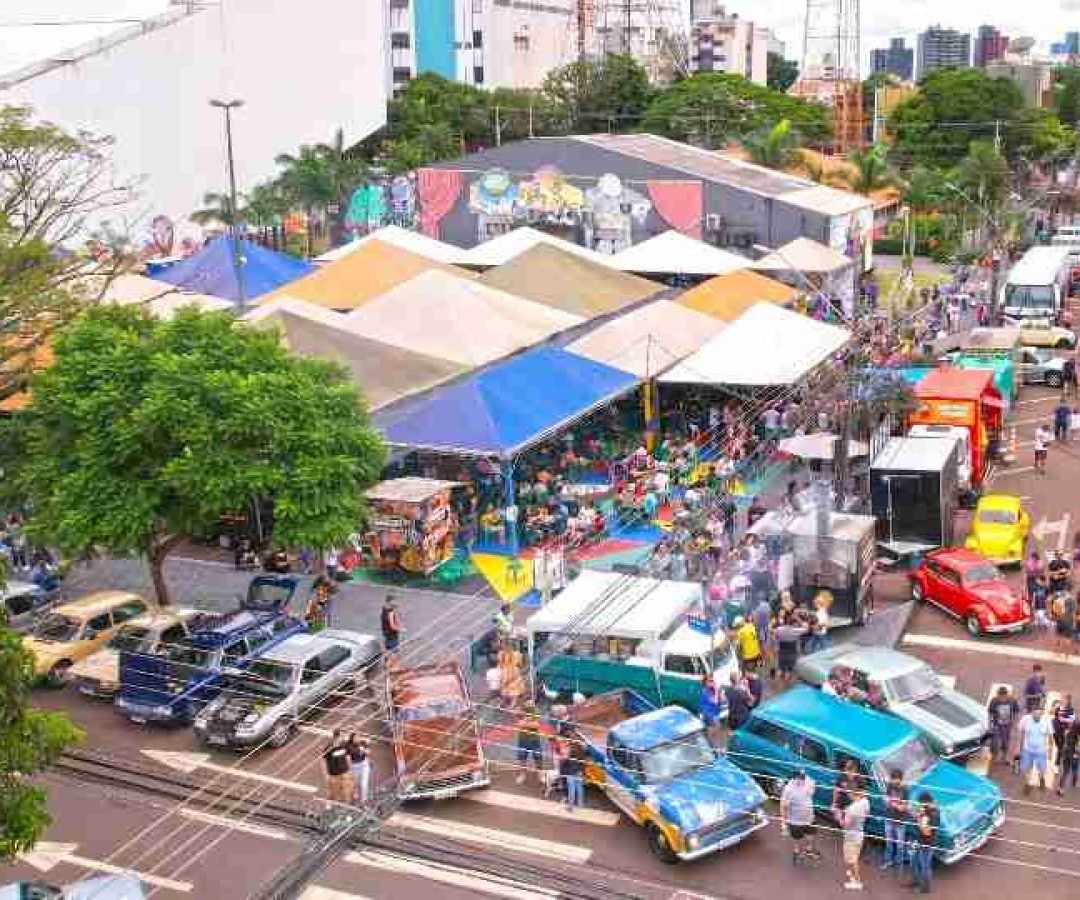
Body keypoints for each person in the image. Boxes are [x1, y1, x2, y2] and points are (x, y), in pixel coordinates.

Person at [780, 768, 819, 864]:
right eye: (799, 778)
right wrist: (783, 824)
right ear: (794, 778)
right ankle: (796, 851)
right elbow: (783, 806)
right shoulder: (788, 789)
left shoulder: (808, 781)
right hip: (795, 821)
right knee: (796, 837)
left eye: (803, 777)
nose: (802, 780)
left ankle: (809, 849)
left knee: (811, 835)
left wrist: (810, 790)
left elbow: (813, 787)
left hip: (809, 818)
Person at [1018, 704, 1053, 794]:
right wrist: (1018, 747)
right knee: (1026, 769)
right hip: (1027, 750)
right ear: (1031, 713)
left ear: (1042, 714)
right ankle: (1027, 784)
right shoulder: (1025, 719)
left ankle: (1041, 779)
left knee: (1041, 769)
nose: (1036, 717)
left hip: (1041, 751)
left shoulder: (1047, 721)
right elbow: (1021, 732)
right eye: (1035, 714)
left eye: (1039, 715)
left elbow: (1050, 736)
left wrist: (1050, 750)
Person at [842, 782, 870, 890]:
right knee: (854, 857)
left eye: (849, 793)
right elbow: (866, 814)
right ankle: (852, 875)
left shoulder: (851, 809)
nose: (848, 795)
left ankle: (857, 882)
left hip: (851, 836)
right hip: (860, 834)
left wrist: (841, 816)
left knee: (853, 859)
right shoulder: (865, 802)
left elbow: (845, 824)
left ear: (853, 794)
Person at [910, 792, 940, 894]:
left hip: (927, 844)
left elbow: (926, 832)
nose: (919, 806)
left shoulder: (933, 815)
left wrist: (918, 818)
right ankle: (916, 881)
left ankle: (925, 888)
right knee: (914, 861)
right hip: (920, 841)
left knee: (925, 867)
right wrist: (920, 814)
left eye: (921, 804)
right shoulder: (926, 811)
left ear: (926, 803)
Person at [881, 768, 909, 872]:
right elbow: (885, 798)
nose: (894, 782)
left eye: (896, 780)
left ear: (900, 780)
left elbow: (903, 807)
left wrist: (892, 803)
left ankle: (899, 864)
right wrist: (891, 802)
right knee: (889, 843)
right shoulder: (890, 786)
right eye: (893, 780)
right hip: (888, 819)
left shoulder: (905, 790)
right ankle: (888, 861)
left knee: (900, 845)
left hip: (900, 822)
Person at [988, 685, 1020, 764]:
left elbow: (1016, 711)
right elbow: (990, 713)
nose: (1001, 698)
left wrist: (1015, 723)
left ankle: (1005, 756)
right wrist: (989, 724)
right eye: (999, 696)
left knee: (1005, 741)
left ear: (1006, 695)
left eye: (1003, 696)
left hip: (1007, 724)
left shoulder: (1012, 700)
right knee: (996, 740)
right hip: (997, 724)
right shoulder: (994, 700)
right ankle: (996, 755)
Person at [514, 706, 545, 785]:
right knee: (522, 758)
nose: (529, 702)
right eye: (527, 701)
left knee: (538, 758)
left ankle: (540, 774)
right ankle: (522, 774)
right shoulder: (519, 709)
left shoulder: (535, 710)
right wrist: (529, 721)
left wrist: (525, 722)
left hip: (535, 740)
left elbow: (536, 725)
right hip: (523, 740)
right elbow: (519, 724)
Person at [323, 730, 354, 805]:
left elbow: (348, 757)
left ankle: (347, 808)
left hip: (345, 773)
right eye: (341, 737)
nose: (342, 738)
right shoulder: (329, 748)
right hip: (334, 775)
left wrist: (350, 770)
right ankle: (331, 806)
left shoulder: (344, 745)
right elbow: (323, 761)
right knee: (334, 794)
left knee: (347, 791)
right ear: (336, 737)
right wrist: (326, 774)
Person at [559, 725, 585, 812]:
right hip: (580, 768)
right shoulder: (580, 745)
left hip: (570, 769)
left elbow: (564, 759)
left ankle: (570, 806)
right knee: (579, 787)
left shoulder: (569, 748)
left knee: (571, 788)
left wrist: (562, 759)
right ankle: (580, 804)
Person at [831, 758, 860, 827]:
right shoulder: (842, 777)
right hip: (843, 802)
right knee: (839, 819)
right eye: (846, 768)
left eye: (848, 769)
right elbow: (836, 790)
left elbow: (857, 794)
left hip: (851, 805)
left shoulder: (858, 778)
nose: (846, 770)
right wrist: (834, 803)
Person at [346, 734, 371, 804]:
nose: (357, 739)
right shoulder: (348, 746)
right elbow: (348, 758)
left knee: (364, 784)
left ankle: (364, 800)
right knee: (355, 783)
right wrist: (350, 768)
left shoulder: (363, 743)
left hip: (364, 765)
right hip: (355, 766)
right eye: (355, 738)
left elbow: (369, 752)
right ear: (352, 739)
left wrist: (364, 750)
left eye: (358, 737)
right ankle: (355, 794)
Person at [1058, 718, 1080, 794]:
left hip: (1066, 754)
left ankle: (1060, 788)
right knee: (1075, 770)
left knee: (1065, 772)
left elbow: (1064, 744)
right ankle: (1074, 783)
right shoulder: (1077, 737)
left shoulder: (1068, 733)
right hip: (1074, 756)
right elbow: (1077, 748)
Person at [699, 675, 722, 742]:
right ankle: (712, 746)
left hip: (715, 714)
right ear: (706, 682)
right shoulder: (704, 691)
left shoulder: (712, 690)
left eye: (713, 681)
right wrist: (717, 690)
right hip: (709, 715)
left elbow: (722, 701)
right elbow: (714, 701)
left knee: (717, 730)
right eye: (711, 681)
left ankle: (714, 745)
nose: (713, 682)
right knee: (712, 732)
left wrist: (719, 692)